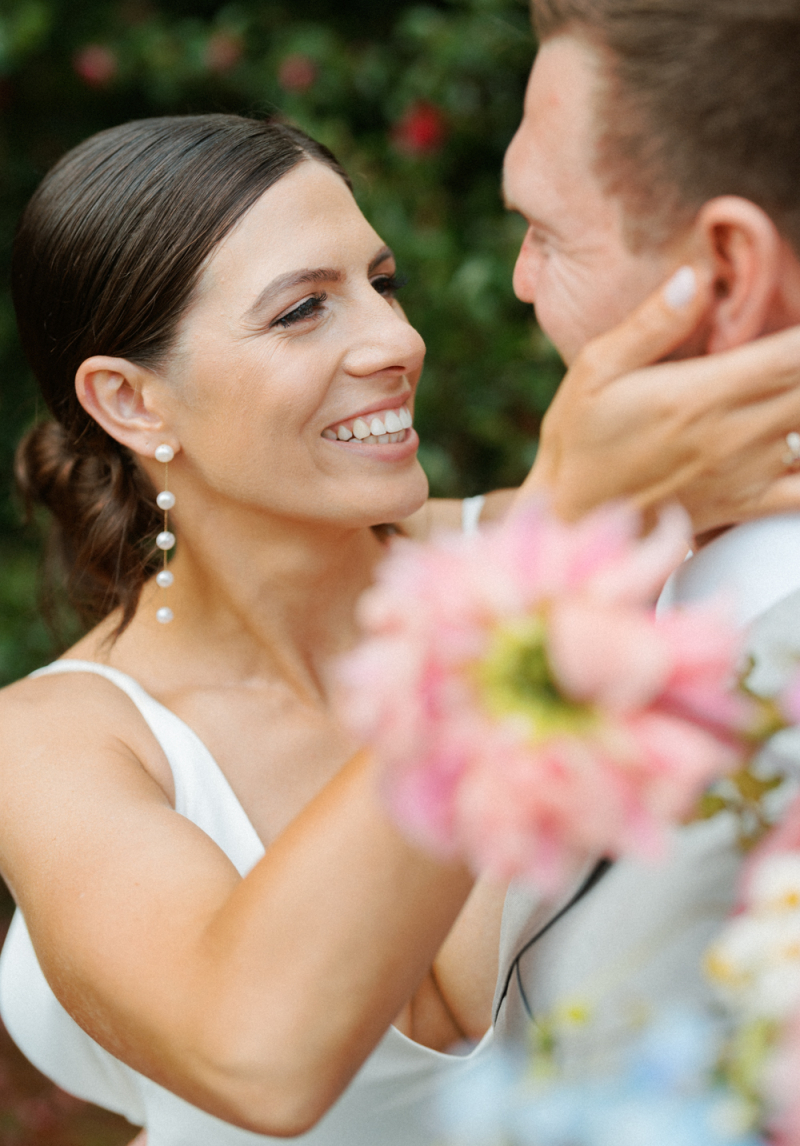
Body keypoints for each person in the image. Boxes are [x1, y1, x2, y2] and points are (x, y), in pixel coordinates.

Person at [1, 113, 800, 1146]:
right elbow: (257, 1057)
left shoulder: (569, 535)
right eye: (302, 312)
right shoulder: (57, 742)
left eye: (381, 284)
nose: (394, 340)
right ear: (131, 401)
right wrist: (558, 528)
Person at [493, 0, 800, 1062]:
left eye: (547, 232)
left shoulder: (777, 683)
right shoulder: (643, 533)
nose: (519, 280)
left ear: (721, 273)